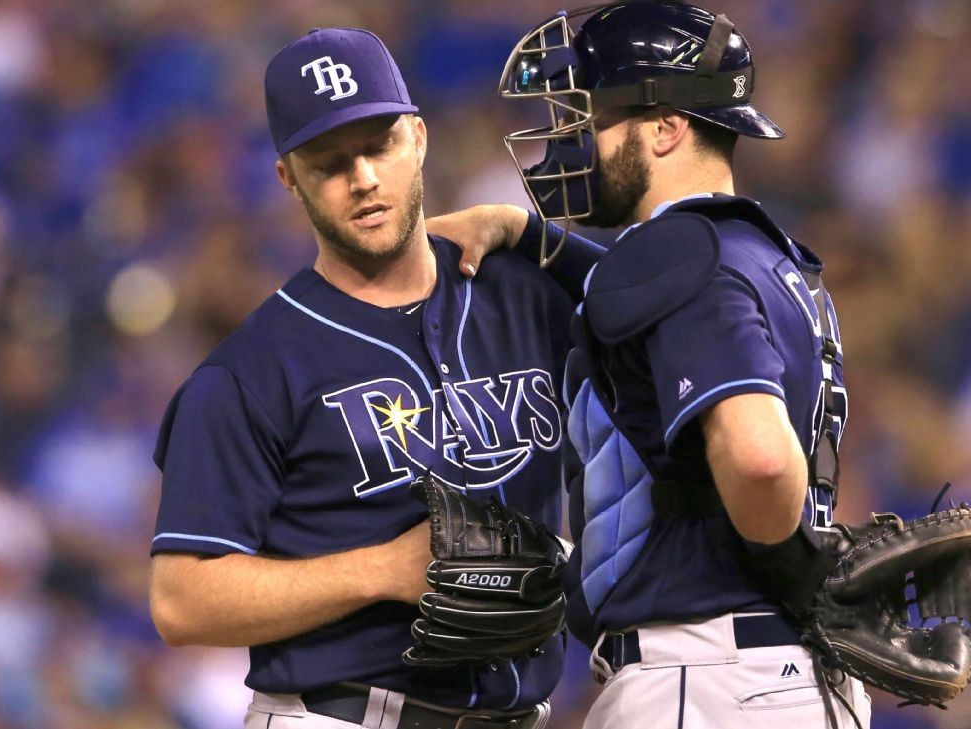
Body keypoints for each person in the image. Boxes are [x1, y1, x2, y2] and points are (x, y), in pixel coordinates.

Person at [437, 3, 869, 727]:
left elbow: (761, 461)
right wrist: (527, 234)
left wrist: (785, 561)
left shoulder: (678, 257)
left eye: (594, 116)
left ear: (666, 127)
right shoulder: (769, 258)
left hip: (707, 677)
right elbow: (646, 299)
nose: (575, 139)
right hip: (787, 674)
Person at [147, 28, 573, 729]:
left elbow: (664, 319)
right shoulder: (250, 371)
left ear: (419, 137)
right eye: (330, 162)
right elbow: (181, 600)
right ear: (289, 177)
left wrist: (533, 234)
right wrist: (381, 569)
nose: (364, 178)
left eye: (379, 145)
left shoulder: (526, 297)